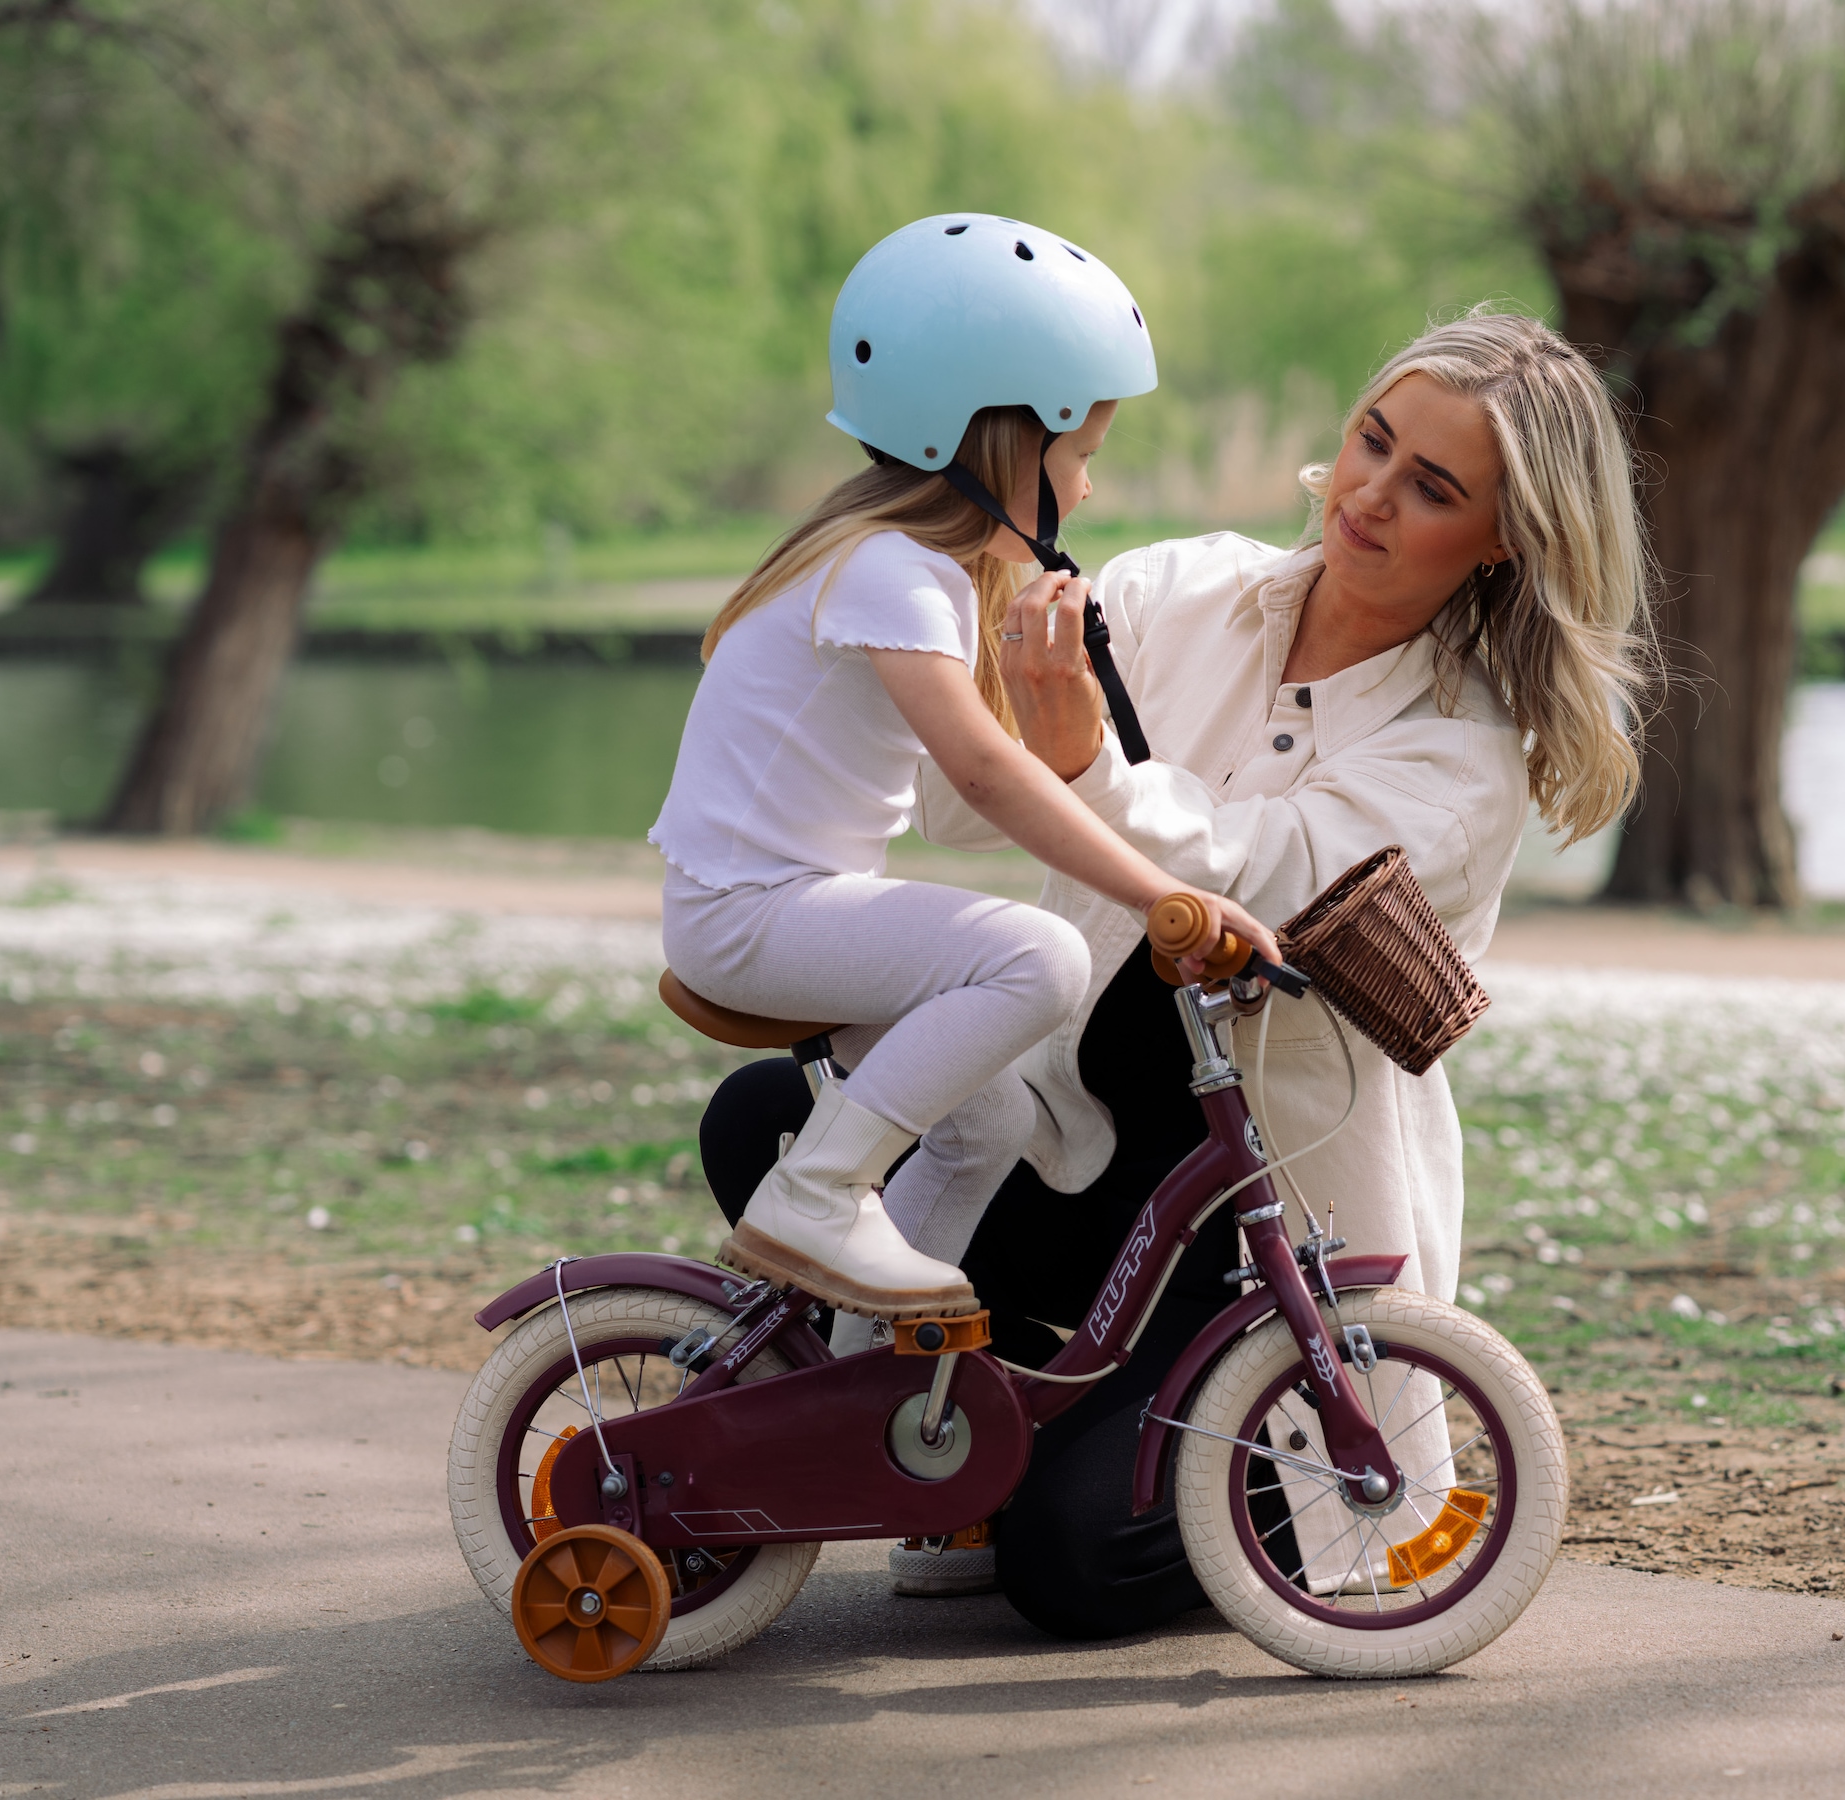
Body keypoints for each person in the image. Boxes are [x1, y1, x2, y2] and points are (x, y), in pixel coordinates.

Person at [702, 309, 1654, 1616]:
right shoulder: (1177, 590)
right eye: (1373, 442)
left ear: (1504, 539)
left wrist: (1084, 758)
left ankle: (1098, 1462)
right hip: (1069, 1134)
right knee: (772, 1120)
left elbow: (1234, 886)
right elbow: (962, 810)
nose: (1373, 495)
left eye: (1432, 488)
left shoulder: (1459, 755)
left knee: (1071, 1564)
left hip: (1252, 1208)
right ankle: (1015, 1406)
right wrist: (955, 673)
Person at [653, 212, 1277, 1325]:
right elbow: (984, 779)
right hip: (751, 918)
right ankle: (817, 1193)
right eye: (1080, 454)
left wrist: (1048, 695)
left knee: (985, 1125)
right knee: (1039, 959)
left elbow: (947, 806)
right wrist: (1164, 894)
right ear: (990, 442)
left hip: (778, 908)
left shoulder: (914, 575)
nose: (1087, 489)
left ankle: (857, 1381)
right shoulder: (889, 572)